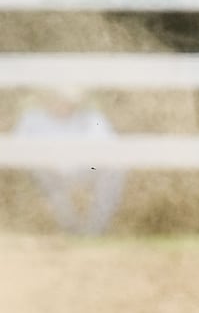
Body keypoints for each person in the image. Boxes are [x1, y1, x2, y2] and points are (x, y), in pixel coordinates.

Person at [13, 87, 126, 235]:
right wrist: (43, 159)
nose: (63, 103)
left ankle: (94, 231)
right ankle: (71, 228)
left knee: (115, 168)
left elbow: (109, 145)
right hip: (48, 172)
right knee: (42, 172)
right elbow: (18, 149)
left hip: (86, 169)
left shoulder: (91, 118)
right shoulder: (33, 119)